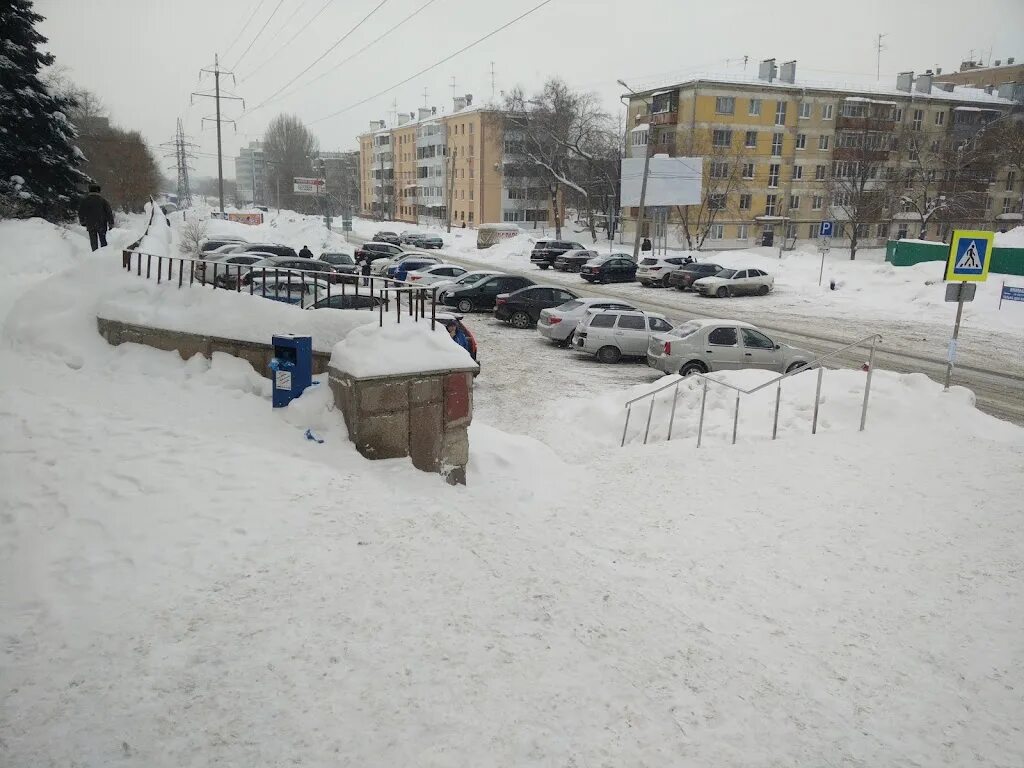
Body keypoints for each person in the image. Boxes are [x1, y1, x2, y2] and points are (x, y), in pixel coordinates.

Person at [78, 184, 115, 251]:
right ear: (98, 191)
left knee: (93, 241)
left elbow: (81, 212)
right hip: (102, 224)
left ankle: (94, 254)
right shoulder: (103, 201)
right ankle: (104, 253)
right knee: (103, 240)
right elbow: (109, 212)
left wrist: (82, 221)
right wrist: (111, 223)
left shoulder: (85, 201)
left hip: (90, 224)